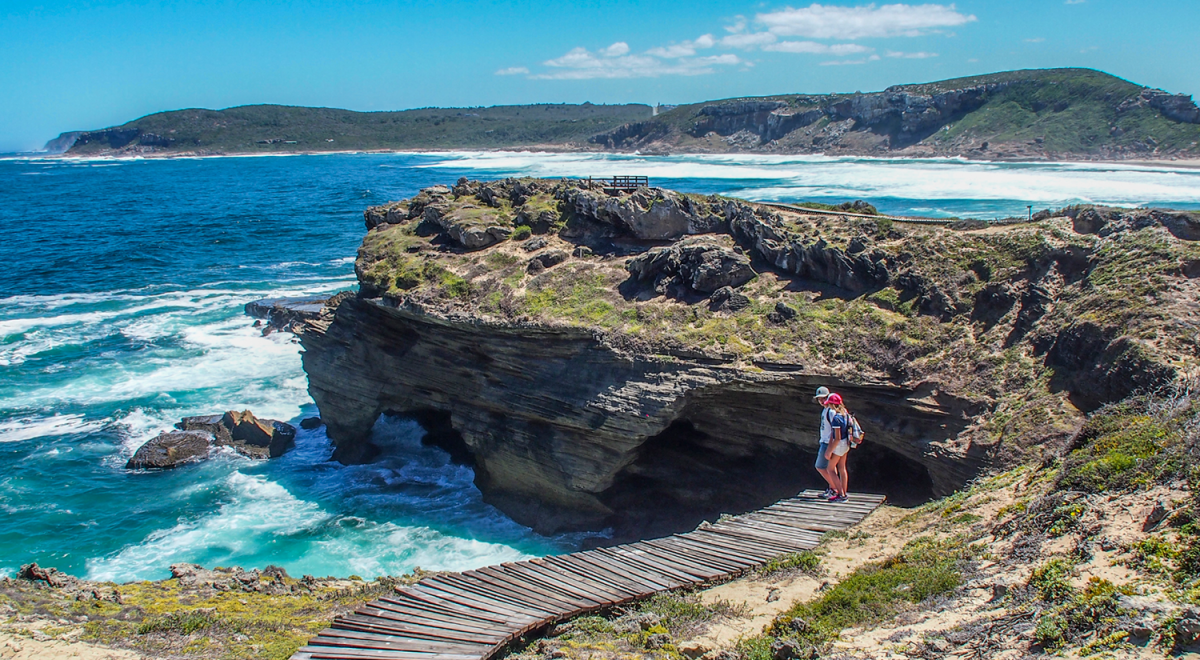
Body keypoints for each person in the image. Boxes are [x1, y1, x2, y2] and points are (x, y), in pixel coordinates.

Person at [812, 386, 842, 499]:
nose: (821, 401)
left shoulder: (830, 411)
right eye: (819, 399)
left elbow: (835, 429)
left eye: (823, 398)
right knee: (831, 467)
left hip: (828, 442)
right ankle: (832, 489)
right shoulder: (826, 409)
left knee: (820, 466)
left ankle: (835, 488)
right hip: (826, 441)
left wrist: (830, 447)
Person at [824, 393, 852, 502]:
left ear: (832, 404)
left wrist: (829, 451)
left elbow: (837, 438)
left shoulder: (836, 418)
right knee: (842, 468)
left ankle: (841, 495)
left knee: (830, 469)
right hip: (847, 444)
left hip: (839, 445)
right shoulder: (846, 414)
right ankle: (844, 492)